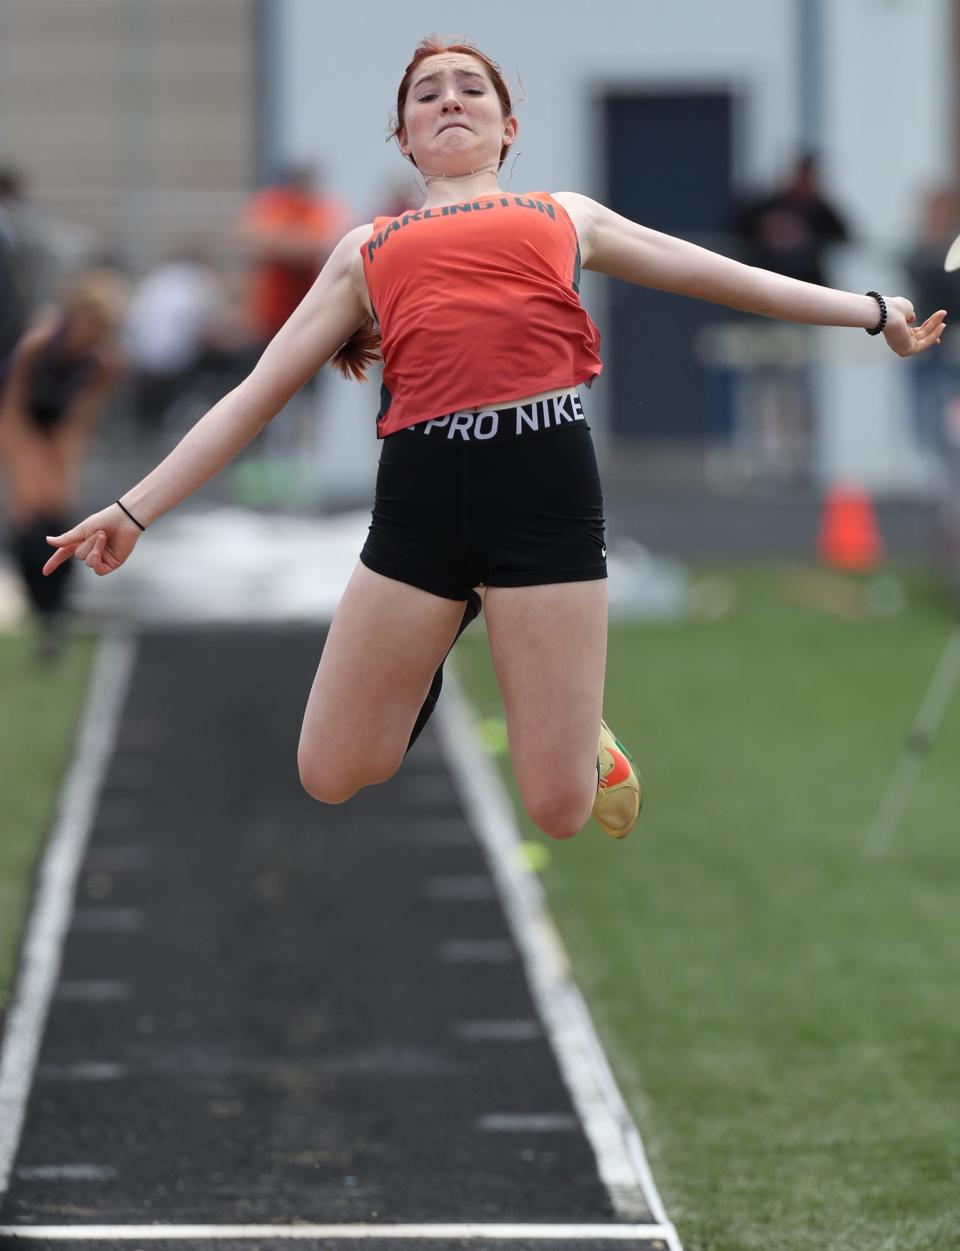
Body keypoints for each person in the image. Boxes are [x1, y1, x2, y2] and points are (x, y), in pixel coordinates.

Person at [43, 38, 946, 841]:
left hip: (544, 498)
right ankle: (443, 634)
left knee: (559, 809)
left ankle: (580, 732)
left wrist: (873, 314)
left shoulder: (566, 216)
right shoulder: (367, 247)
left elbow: (720, 276)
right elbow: (252, 398)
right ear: (403, 138)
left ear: (507, 127)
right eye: (426, 91)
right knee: (332, 772)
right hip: (420, 506)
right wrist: (133, 508)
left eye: (469, 88)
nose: (448, 99)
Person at [1, 267, 126, 661]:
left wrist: (63, 464)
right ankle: (38, 607)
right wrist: (27, 460)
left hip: (56, 427)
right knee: (29, 509)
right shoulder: (39, 345)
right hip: (17, 419)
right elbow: (12, 407)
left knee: (59, 510)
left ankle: (57, 612)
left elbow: (81, 417)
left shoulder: (100, 362)